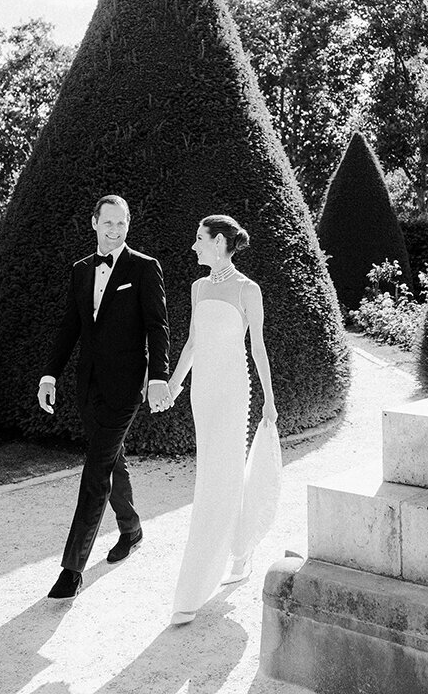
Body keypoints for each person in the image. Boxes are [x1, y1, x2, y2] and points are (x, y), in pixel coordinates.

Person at [37, 194, 172, 600]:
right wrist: (49, 374)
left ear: (128, 225)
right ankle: (130, 529)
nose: (115, 231)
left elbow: (157, 326)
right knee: (112, 460)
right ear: (94, 222)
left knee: (95, 471)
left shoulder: (144, 268)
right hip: (88, 386)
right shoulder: (80, 271)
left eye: (122, 224)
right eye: (108, 223)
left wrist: (159, 377)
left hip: (126, 387)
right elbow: (68, 327)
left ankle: (71, 569)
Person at [166, 214, 277, 625]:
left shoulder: (249, 289)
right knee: (212, 474)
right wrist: (175, 386)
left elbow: (259, 347)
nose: (193, 245)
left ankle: (196, 586)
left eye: (199, 238)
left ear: (218, 243)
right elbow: (193, 343)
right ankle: (241, 549)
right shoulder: (197, 288)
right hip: (202, 393)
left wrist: (269, 397)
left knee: (221, 477)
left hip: (233, 391)